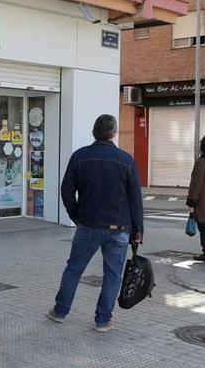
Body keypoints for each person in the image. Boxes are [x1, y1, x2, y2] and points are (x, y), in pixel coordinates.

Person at [47, 114, 144, 332]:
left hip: (88, 225)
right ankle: (103, 320)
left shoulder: (80, 157)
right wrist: (138, 229)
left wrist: (77, 216)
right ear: (114, 133)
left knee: (74, 269)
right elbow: (135, 198)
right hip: (119, 228)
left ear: (94, 132)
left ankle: (60, 311)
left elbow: (67, 191)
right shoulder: (126, 160)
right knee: (112, 275)